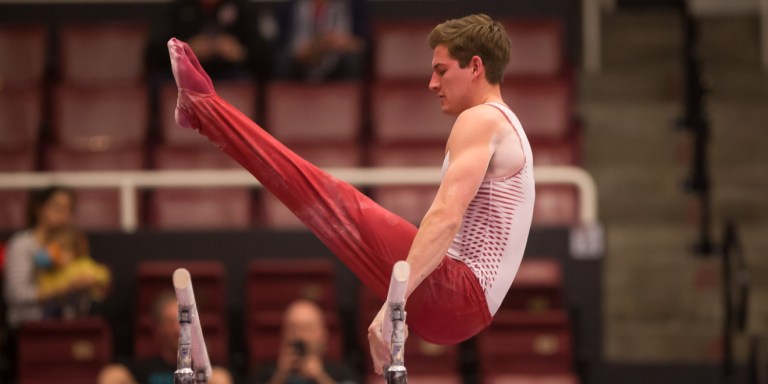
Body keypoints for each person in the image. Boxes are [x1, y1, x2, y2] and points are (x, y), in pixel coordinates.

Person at [167, 12, 534, 374]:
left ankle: (203, 108)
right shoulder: (503, 123)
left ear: (475, 66)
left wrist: (395, 305)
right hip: (464, 310)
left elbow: (446, 216)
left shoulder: (481, 119)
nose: (432, 84)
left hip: (458, 293)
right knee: (326, 205)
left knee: (330, 198)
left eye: (441, 70)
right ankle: (204, 111)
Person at [3, 186, 103, 327]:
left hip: (69, 325)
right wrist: (64, 287)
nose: (63, 213)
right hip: (29, 327)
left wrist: (92, 285)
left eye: (68, 208)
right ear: (38, 209)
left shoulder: (74, 243)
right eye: (56, 206)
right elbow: (16, 295)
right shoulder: (21, 245)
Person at [98, 291, 233, 384]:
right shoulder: (141, 368)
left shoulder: (211, 370)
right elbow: (111, 375)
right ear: (157, 329)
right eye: (170, 322)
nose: (178, 329)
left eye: (184, 321)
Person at [146, 0, 273, 80]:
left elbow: (266, 55)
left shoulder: (244, 9)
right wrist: (184, 52)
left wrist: (241, 52)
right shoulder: (176, 10)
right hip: (185, 79)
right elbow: (152, 53)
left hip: (232, 76)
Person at [250, 300, 359, 384]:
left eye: (307, 329)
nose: (300, 335)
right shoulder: (264, 374)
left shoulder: (341, 372)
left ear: (323, 334)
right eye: (293, 329)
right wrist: (279, 377)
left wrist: (320, 377)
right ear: (283, 334)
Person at [274, 0, 367, 82]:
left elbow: (362, 44)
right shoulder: (287, 7)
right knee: (283, 60)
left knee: (352, 60)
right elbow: (282, 45)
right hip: (300, 63)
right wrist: (309, 49)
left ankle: (348, 99)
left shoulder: (354, 5)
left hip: (338, 62)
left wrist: (344, 42)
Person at [35, 226, 111, 319]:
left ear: (75, 251)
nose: (61, 255)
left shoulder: (82, 264)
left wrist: (91, 279)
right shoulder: (49, 273)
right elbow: (43, 293)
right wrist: (66, 288)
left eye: (64, 250)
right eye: (56, 251)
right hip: (58, 314)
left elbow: (104, 274)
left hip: (84, 311)